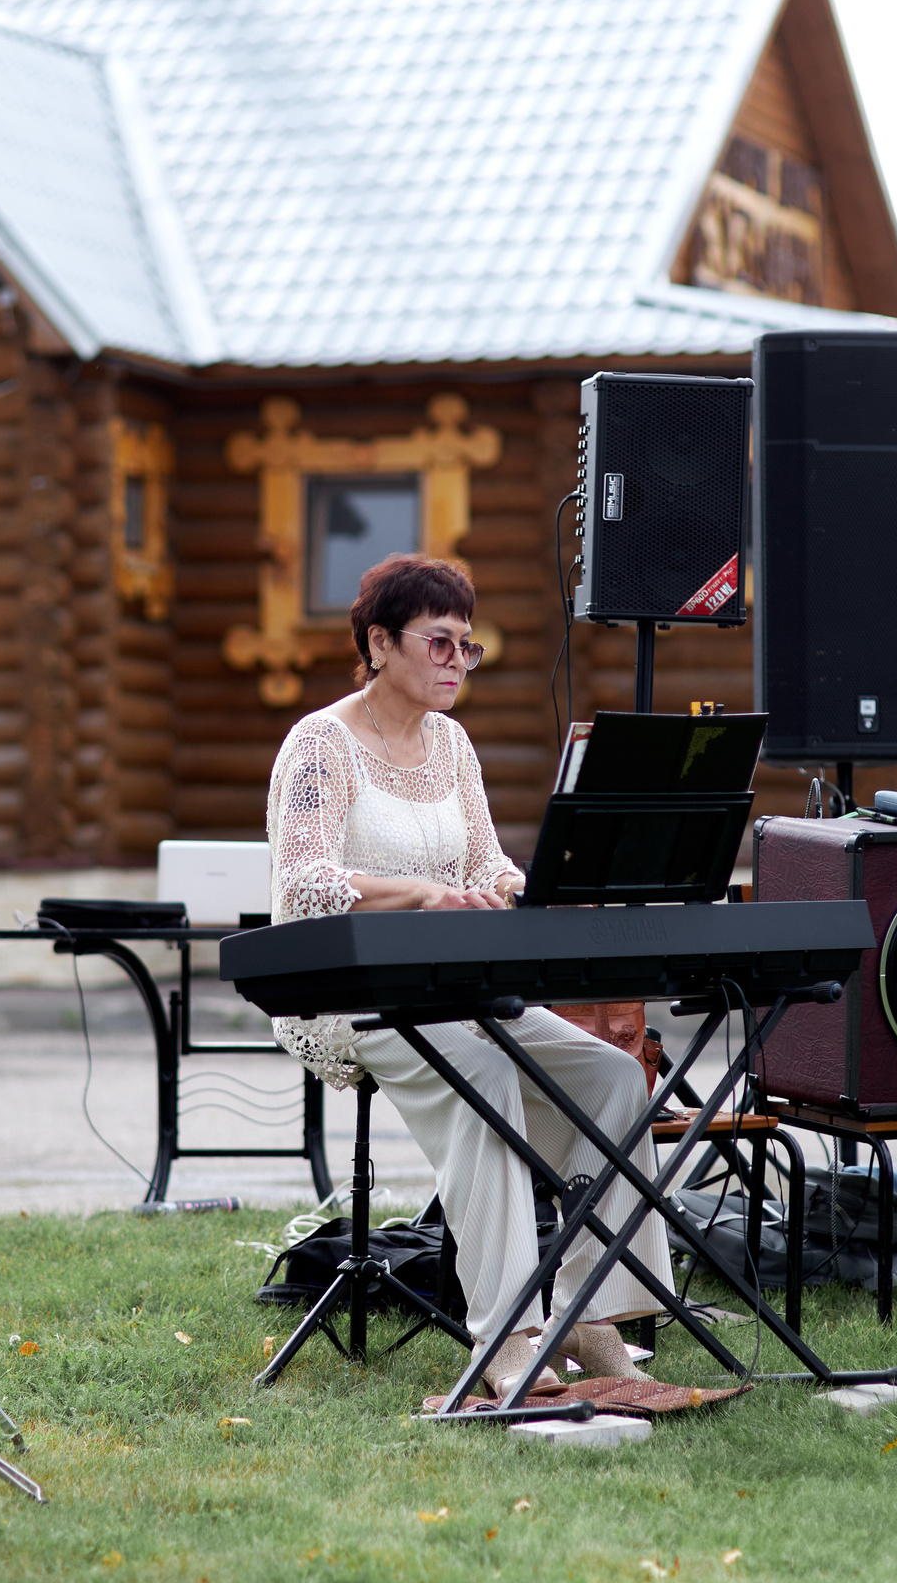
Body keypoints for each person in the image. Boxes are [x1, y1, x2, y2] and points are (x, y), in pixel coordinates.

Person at [263, 553, 674, 1396]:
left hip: (456, 982)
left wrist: (533, 887)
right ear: (380, 644)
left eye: (467, 646)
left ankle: (591, 1313)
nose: (457, 661)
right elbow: (303, 881)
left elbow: (486, 863)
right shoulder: (319, 744)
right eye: (440, 642)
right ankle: (508, 1335)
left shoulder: (451, 745)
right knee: (483, 1076)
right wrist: (422, 892)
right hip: (351, 989)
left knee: (610, 1076)